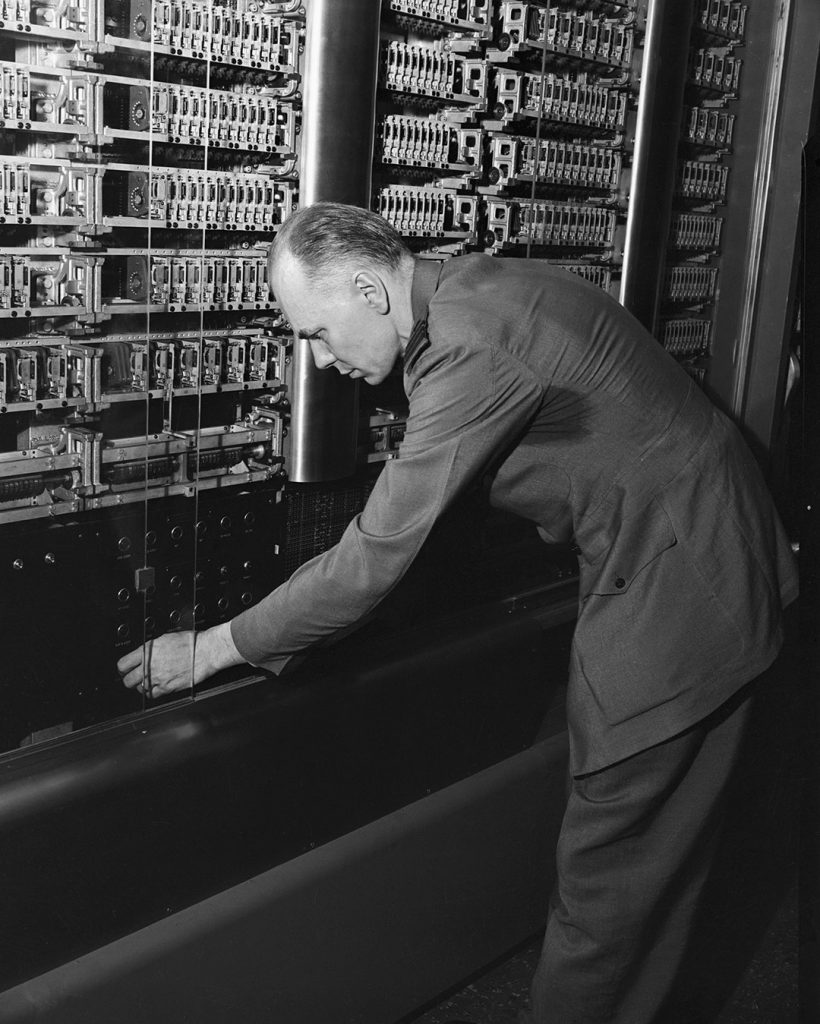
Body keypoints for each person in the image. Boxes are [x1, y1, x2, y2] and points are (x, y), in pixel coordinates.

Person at [117, 202, 798, 1023]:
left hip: (682, 591)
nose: (319, 359)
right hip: (709, 555)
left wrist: (216, 647)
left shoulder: (471, 351)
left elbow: (372, 561)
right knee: (659, 868)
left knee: (609, 885)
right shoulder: (473, 285)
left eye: (318, 332)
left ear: (370, 288)